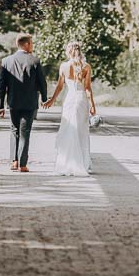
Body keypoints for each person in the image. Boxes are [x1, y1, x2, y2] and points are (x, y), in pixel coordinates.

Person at [44, 42, 96, 176]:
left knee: (68, 129)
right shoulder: (87, 67)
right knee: (81, 130)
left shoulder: (63, 66)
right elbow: (87, 88)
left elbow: (60, 86)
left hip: (69, 100)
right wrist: (92, 105)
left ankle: (66, 163)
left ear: (68, 52)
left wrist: (52, 100)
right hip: (81, 100)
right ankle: (83, 163)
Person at [0, 34, 48, 173]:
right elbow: (42, 83)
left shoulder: (7, 61)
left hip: (13, 102)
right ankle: (22, 164)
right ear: (25, 44)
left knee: (14, 131)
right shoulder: (35, 61)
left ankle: (14, 162)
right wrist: (44, 98)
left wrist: (0, 105)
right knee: (25, 132)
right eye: (31, 43)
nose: (32, 46)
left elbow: (2, 85)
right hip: (30, 103)